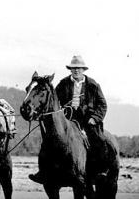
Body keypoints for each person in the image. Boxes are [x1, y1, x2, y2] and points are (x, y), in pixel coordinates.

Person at [29, 55, 110, 184]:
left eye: (78, 68)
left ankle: (100, 170)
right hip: (67, 118)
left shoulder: (93, 85)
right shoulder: (63, 83)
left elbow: (102, 105)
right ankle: (43, 172)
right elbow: (52, 101)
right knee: (47, 140)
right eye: (73, 68)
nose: (76, 70)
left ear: (83, 69)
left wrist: (95, 118)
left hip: (88, 120)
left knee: (99, 139)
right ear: (70, 70)